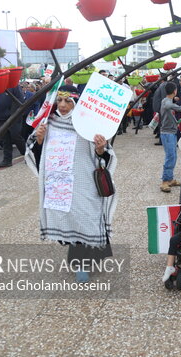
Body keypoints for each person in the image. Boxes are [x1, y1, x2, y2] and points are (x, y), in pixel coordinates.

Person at [25, 85, 117, 283]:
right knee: (74, 221)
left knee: (88, 219)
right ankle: (80, 264)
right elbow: (34, 152)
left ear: (77, 102)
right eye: (59, 100)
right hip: (61, 185)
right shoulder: (49, 122)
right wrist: (40, 140)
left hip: (85, 183)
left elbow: (105, 155)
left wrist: (100, 149)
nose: (63, 105)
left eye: (68, 101)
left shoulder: (87, 123)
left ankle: (89, 260)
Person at [159, 82, 181, 193]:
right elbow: (168, 106)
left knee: (173, 156)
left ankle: (170, 179)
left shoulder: (169, 101)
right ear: (174, 91)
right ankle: (165, 181)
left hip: (171, 132)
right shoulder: (166, 101)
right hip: (167, 133)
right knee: (170, 156)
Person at [0, 84, 26, 168]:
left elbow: (19, 101)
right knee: (5, 139)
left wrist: (12, 115)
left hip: (13, 117)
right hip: (1, 118)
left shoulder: (14, 86)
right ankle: (7, 160)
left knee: (15, 136)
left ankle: (27, 154)